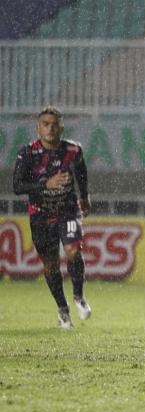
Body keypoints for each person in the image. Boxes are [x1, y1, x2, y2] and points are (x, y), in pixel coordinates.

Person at [13, 106, 92, 329]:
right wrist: (44, 184)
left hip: (68, 210)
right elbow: (17, 186)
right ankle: (63, 310)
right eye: (45, 124)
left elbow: (82, 171)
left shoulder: (73, 150)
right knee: (50, 265)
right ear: (38, 128)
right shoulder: (27, 153)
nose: (50, 128)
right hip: (40, 215)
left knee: (73, 250)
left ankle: (79, 296)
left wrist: (84, 196)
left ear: (61, 127)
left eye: (54, 124)